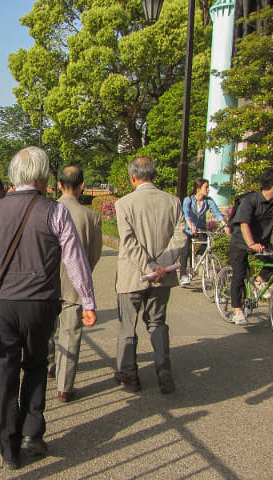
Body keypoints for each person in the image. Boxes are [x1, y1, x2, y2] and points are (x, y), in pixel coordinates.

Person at [0, 147, 97, 470]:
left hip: (1, 302)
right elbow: (74, 259)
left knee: (4, 371)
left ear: (16, 176)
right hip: (41, 303)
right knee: (37, 364)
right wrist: (87, 301)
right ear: (42, 178)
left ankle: (8, 445)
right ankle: (32, 434)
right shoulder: (54, 211)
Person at [114, 157, 186, 394]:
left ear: (132, 177)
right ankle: (164, 368)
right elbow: (180, 237)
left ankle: (129, 374)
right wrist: (162, 266)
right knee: (157, 322)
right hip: (163, 275)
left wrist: (148, 267)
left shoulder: (125, 203)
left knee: (128, 325)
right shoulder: (173, 202)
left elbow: (128, 242)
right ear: (154, 175)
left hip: (133, 274)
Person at [47, 165, 102, 402]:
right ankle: (65, 386)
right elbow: (95, 254)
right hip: (74, 283)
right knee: (70, 334)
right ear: (82, 186)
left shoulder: (47, 211)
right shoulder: (91, 216)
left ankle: (49, 364)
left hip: (47, 281)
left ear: (59, 185)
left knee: (46, 329)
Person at [229, 166, 273, 325]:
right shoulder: (250, 200)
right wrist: (251, 244)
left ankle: (258, 281)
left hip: (262, 242)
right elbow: (244, 224)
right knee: (239, 275)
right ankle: (238, 311)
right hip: (242, 241)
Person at [179, 178, 231, 286]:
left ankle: (198, 256)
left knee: (205, 243)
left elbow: (217, 213)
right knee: (185, 249)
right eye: (206, 187)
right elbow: (187, 213)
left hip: (201, 228)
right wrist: (191, 225)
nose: (208, 190)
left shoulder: (209, 200)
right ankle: (183, 275)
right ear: (198, 188)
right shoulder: (188, 200)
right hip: (188, 228)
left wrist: (225, 225)